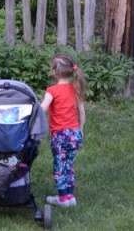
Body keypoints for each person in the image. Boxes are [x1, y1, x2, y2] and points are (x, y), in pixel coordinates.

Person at [41, 53, 86, 208]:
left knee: (59, 165)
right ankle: (70, 196)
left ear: (54, 71)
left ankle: (62, 199)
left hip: (60, 135)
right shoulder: (75, 89)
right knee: (69, 165)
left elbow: (42, 109)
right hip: (74, 134)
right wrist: (81, 130)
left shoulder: (52, 91)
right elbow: (81, 111)